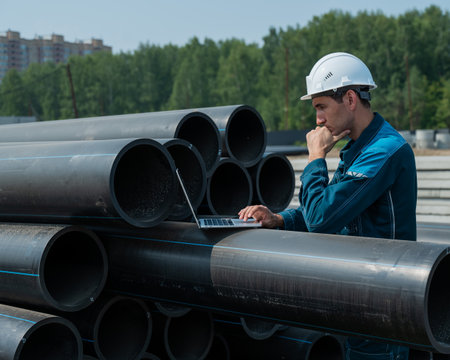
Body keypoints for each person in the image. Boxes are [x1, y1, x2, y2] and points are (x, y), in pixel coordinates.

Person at [239, 52, 417, 360]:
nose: (318, 119)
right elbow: (329, 208)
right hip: (361, 296)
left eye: (322, 106)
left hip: (383, 303)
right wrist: (278, 219)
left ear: (349, 99)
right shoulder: (358, 150)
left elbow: (322, 220)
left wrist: (316, 158)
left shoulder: (385, 151)